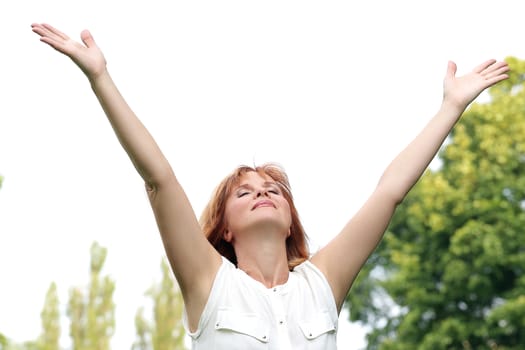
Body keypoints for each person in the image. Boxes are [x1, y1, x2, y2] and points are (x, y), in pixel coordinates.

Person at [31, 23, 509, 349]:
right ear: (226, 230)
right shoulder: (208, 283)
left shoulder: (321, 286)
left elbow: (389, 192)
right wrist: (100, 77)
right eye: (244, 192)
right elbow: (159, 179)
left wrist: (450, 108)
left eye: (273, 189)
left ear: (289, 223)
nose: (262, 192)